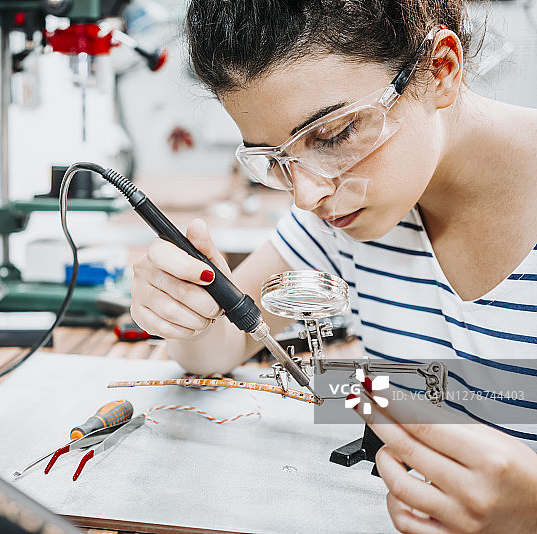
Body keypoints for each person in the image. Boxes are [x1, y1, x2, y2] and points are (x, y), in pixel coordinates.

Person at [129, 1, 537, 531]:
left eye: (335, 134)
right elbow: (222, 349)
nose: (307, 194)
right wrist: (185, 310)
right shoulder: (348, 212)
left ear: (440, 69)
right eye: (277, 158)